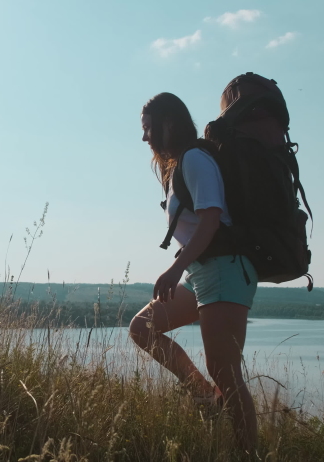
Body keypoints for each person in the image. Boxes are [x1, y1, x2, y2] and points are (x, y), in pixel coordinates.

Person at [128, 92, 259, 451]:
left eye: (148, 128)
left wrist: (174, 269)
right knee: (143, 328)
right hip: (203, 272)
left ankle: (248, 453)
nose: (145, 137)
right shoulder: (178, 166)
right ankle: (206, 399)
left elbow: (211, 219)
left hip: (224, 270)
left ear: (169, 123)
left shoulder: (196, 160)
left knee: (226, 374)